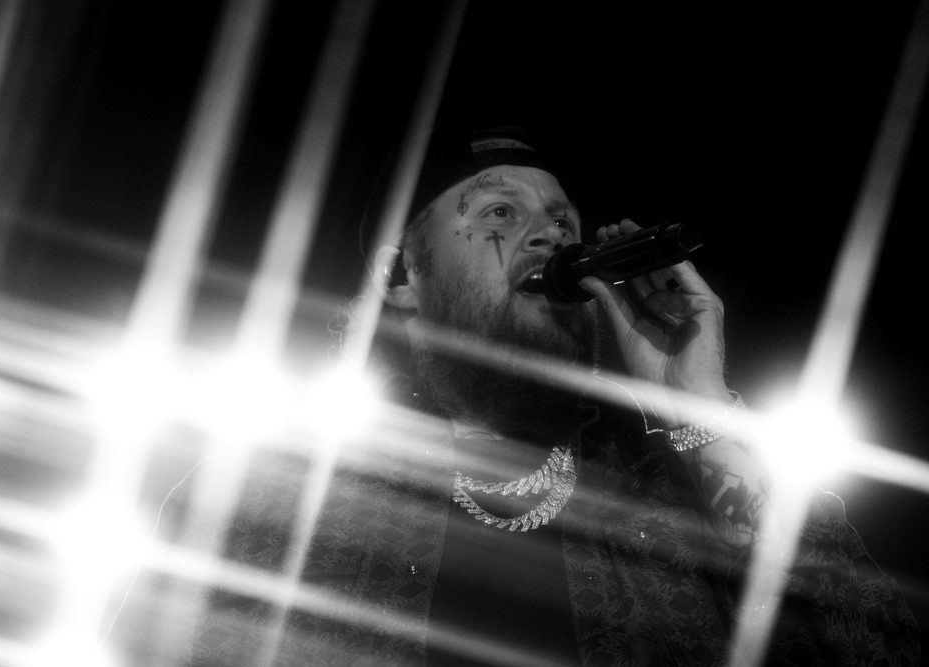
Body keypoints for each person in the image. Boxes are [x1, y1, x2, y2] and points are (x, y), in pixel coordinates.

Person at [163, 123, 920, 665]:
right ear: (400, 277)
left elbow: (875, 644)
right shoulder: (276, 493)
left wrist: (703, 411)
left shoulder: (665, 494)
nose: (551, 236)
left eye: (563, 221)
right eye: (501, 211)